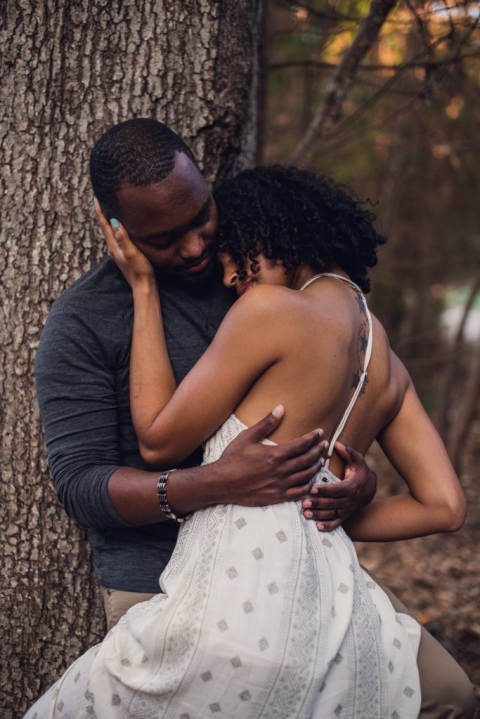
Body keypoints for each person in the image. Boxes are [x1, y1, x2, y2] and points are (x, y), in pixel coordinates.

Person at [27, 159, 475, 717]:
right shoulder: (376, 343)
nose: (217, 270)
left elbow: (159, 441)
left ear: (262, 233)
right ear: (122, 231)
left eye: (224, 246)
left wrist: (341, 499)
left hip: (239, 583)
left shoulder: (266, 307)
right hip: (279, 575)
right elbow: (445, 505)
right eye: (165, 239)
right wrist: (312, 503)